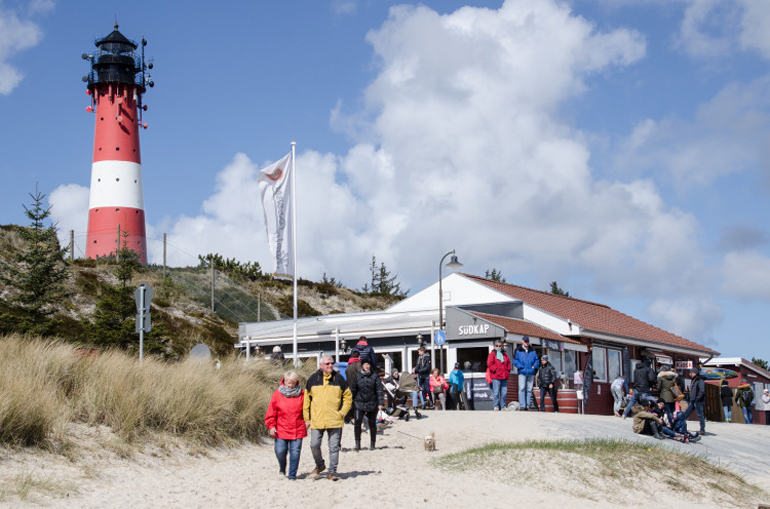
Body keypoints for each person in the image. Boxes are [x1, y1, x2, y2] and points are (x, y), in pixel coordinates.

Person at [303, 355, 352, 481]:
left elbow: (348, 397)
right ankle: (320, 465)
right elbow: (306, 400)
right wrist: (307, 418)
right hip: (317, 419)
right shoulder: (313, 379)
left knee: (334, 447)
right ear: (321, 365)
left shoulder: (339, 378)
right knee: (314, 445)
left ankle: (332, 472)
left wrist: (342, 412)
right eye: (327, 364)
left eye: (331, 363)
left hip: (335, 419)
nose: (330, 365)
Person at [264, 371, 308, 480]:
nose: (291, 385)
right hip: (281, 429)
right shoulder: (277, 394)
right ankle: (282, 468)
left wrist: (308, 420)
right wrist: (271, 426)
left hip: (298, 428)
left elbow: (307, 409)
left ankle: (292, 475)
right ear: (284, 381)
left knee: (295, 453)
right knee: (280, 451)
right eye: (289, 383)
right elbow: (271, 411)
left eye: (293, 383)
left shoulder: (302, 394)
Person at [349, 360, 384, 451]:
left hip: (372, 402)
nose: (367, 366)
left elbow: (379, 390)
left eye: (368, 364)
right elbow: (353, 390)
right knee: (357, 422)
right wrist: (349, 402)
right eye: (365, 364)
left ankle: (372, 444)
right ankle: (357, 444)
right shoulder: (358, 376)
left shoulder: (375, 376)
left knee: (372, 423)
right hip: (359, 402)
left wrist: (380, 403)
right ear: (362, 366)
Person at [513, 336, 538, 411]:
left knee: (529, 389)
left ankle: (527, 406)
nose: (526, 343)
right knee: (522, 388)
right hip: (522, 372)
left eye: (527, 341)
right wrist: (521, 367)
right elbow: (515, 360)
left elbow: (536, 360)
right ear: (522, 341)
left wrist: (534, 366)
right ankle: (522, 405)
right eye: (525, 341)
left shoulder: (533, 350)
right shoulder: (518, 350)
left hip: (531, 372)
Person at [487, 340, 512, 411]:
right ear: (495, 346)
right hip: (496, 376)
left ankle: (503, 406)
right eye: (497, 346)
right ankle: (496, 406)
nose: (498, 347)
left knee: (504, 392)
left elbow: (508, 363)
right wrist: (495, 370)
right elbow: (489, 364)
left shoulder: (504, 354)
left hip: (504, 375)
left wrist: (508, 370)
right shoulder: (492, 354)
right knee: (496, 392)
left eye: (499, 346)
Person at [681, 367, 706, 434]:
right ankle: (681, 426)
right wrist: (689, 391)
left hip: (698, 400)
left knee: (700, 415)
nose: (690, 374)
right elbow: (694, 390)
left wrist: (698, 398)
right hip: (692, 400)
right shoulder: (694, 380)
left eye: (691, 373)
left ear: (694, 373)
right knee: (686, 414)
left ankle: (702, 429)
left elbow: (702, 390)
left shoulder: (700, 380)